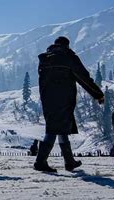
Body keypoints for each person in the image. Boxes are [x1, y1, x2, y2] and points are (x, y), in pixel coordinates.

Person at [34, 36, 104, 173]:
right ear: (67, 45)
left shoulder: (45, 59)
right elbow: (83, 77)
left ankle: (69, 161)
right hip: (64, 99)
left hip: (47, 100)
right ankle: (40, 161)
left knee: (60, 128)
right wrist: (98, 94)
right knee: (54, 129)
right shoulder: (68, 57)